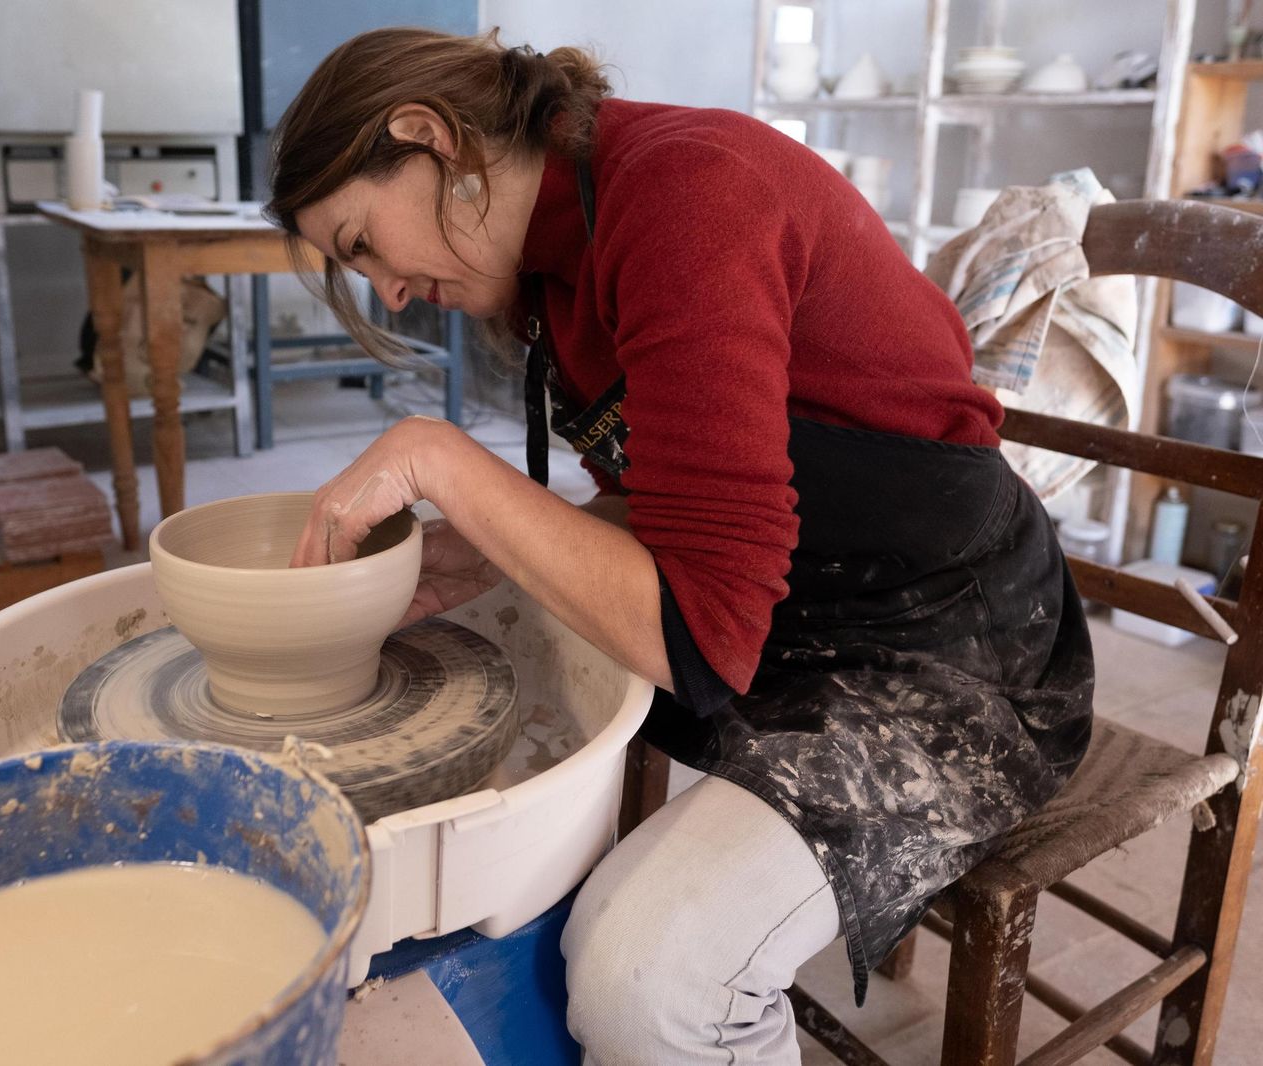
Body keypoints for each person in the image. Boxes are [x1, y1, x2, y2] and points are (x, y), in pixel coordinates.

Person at [265, 27, 1094, 1065]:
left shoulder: (685, 201)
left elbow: (700, 638)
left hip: (952, 644)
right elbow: (678, 510)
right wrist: (478, 550)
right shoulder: (552, 271)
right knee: (499, 645)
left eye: (360, 242)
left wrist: (442, 461)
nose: (385, 290)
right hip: (798, 603)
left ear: (428, 137)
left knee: (643, 976)